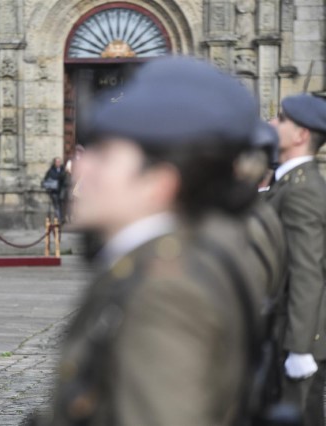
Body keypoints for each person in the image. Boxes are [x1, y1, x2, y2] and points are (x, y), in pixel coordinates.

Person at [40, 57, 262, 426]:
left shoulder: (164, 292)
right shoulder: (163, 260)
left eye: (105, 157)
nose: (80, 169)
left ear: (159, 184)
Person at [266, 94, 326, 425]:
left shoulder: (301, 190)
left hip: (296, 334)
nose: (272, 124)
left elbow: (307, 270)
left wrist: (300, 347)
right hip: (284, 328)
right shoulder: (289, 182)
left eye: (281, 119)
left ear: (301, 135)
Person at [43, 158, 66, 222]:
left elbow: (64, 179)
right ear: (54, 163)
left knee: (62, 205)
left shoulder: (63, 169)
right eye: (57, 162)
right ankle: (59, 219)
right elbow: (45, 180)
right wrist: (48, 187)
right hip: (54, 191)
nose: (58, 163)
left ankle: (62, 218)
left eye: (59, 162)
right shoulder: (51, 170)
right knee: (56, 206)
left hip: (62, 191)